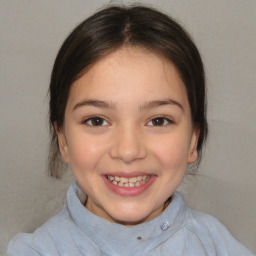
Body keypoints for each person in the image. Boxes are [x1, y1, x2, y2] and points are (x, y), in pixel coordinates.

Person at [6, 4, 255, 256]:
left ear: (193, 139)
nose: (128, 150)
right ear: (63, 140)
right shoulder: (34, 251)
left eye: (158, 121)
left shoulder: (218, 247)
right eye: (96, 121)